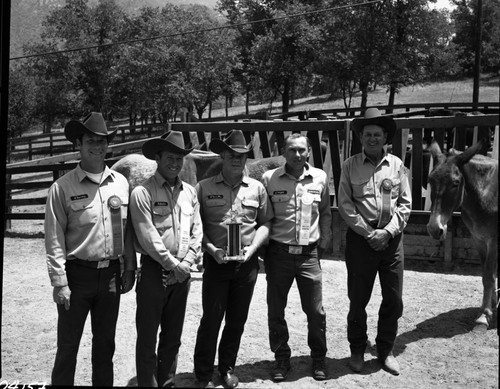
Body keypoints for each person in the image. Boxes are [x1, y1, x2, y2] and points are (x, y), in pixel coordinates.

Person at [45, 112, 136, 386]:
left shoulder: (120, 183)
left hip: (110, 276)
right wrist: (60, 282)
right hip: (77, 276)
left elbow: (128, 230)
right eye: (90, 141)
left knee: (105, 346)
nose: (97, 146)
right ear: (79, 144)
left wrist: (129, 267)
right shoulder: (62, 188)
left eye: (102, 141)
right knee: (68, 347)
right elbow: (54, 239)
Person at [193, 130, 273, 389]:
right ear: (222, 156)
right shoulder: (203, 188)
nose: (237, 159)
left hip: (246, 264)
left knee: (237, 320)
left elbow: (265, 224)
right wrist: (210, 248)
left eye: (242, 155)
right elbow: (197, 227)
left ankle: (226, 368)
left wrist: (253, 250)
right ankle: (203, 374)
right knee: (211, 320)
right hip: (216, 263)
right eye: (231, 154)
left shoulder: (257, 188)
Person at [338, 107, 412, 376]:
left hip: (391, 242)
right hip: (361, 241)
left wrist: (388, 233)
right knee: (358, 299)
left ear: (385, 137)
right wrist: (368, 233)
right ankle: (357, 350)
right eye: (367, 134)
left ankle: (385, 350)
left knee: (393, 298)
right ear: (361, 137)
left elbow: (405, 204)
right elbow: (345, 205)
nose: (372, 139)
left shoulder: (397, 166)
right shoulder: (349, 166)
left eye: (377, 134)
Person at [129, 130, 203, 387]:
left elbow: (197, 230)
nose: (175, 163)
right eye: (170, 157)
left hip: (183, 271)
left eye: (179, 158)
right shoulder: (143, 193)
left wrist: (188, 262)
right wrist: (174, 265)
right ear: (158, 158)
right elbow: (148, 236)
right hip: (154, 271)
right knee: (148, 335)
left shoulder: (190, 193)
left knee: (173, 335)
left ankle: (167, 382)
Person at [261, 133, 332, 382]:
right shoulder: (269, 179)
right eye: (292, 150)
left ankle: (319, 358)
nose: (297, 155)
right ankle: (281, 358)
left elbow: (324, 213)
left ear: (309, 152)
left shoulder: (320, 178)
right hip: (278, 254)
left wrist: (323, 243)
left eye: (302, 150)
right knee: (276, 309)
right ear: (284, 152)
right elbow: (264, 218)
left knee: (315, 311)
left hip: (309, 255)